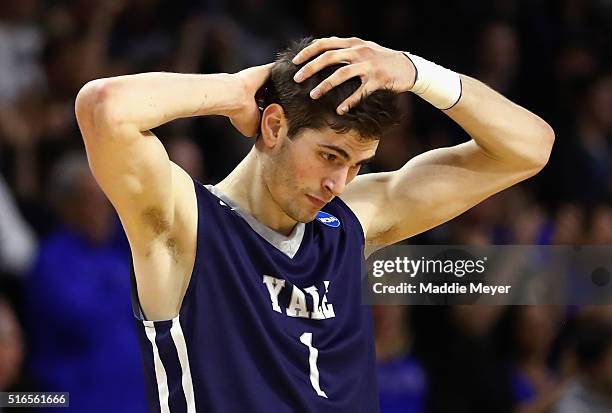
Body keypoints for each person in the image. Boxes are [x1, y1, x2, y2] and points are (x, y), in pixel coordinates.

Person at [75, 36, 554, 412]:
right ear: (275, 126)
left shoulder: (353, 220)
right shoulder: (184, 226)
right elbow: (104, 108)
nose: (338, 182)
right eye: (329, 155)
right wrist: (236, 90)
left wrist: (416, 72)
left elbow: (531, 148)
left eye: (357, 165)